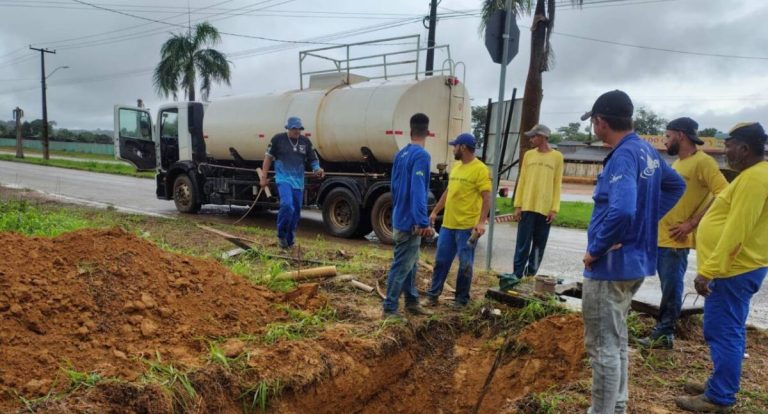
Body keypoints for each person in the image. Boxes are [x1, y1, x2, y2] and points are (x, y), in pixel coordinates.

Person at [580, 90, 685, 414]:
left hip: (610, 266)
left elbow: (623, 210)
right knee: (616, 340)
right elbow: (675, 186)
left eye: (593, 123)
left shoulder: (624, 156)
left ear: (600, 122)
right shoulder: (646, 151)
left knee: (602, 348)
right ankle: (619, 406)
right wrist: (646, 218)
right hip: (635, 264)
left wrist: (596, 248)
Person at [675, 122, 768, 413]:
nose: (725, 150)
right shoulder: (752, 176)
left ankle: (719, 398)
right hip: (740, 267)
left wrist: (710, 269)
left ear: (744, 147)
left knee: (722, 330)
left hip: (733, 270)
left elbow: (737, 229)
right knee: (729, 329)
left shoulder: (754, 179)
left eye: (728, 145)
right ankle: (720, 382)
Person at [638, 117, 728, 349]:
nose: (664, 141)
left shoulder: (703, 162)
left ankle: (664, 335)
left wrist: (692, 223)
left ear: (681, 135)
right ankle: (662, 330)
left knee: (671, 288)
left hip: (676, 240)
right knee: (664, 287)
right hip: (659, 236)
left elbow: (723, 193)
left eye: (667, 136)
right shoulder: (677, 164)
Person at [422, 133, 491, 308]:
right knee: (441, 262)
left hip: (467, 227)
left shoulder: (480, 169)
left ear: (463, 147)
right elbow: (448, 192)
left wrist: (481, 222)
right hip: (448, 224)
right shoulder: (456, 167)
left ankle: (461, 300)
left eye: (455, 146)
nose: (453, 149)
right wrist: (435, 211)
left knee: (465, 264)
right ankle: (432, 295)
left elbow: (487, 197)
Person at [382, 113, 435, 320]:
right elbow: (418, 189)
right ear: (428, 133)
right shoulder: (421, 156)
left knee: (411, 263)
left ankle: (412, 302)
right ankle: (389, 308)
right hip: (410, 222)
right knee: (402, 264)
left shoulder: (401, 154)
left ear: (410, 131)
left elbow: (394, 188)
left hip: (400, 215)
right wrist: (422, 221)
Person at [260, 116, 324, 249]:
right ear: (288, 128)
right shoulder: (278, 139)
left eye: (299, 128)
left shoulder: (305, 141)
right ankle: (281, 235)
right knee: (287, 205)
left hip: (298, 182)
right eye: (294, 128)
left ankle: (289, 240)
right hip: (283, 179)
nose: (297, 131)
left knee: (295, 212)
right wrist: (263, 177)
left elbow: (313, 160)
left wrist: (317, 169)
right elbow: (268, 158)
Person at [512, 124, 564, 278]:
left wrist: (554, 208)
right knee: (522, 244)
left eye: (534, 136)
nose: (531, 139)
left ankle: (530, 275)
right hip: (527, 206)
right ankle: (516, 275)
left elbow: (557, 183)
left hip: (545, 209)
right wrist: (518, 205)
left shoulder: (557, 157)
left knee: (538, 246)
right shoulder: (529, 155)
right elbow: (522, 180)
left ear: (543, 137)